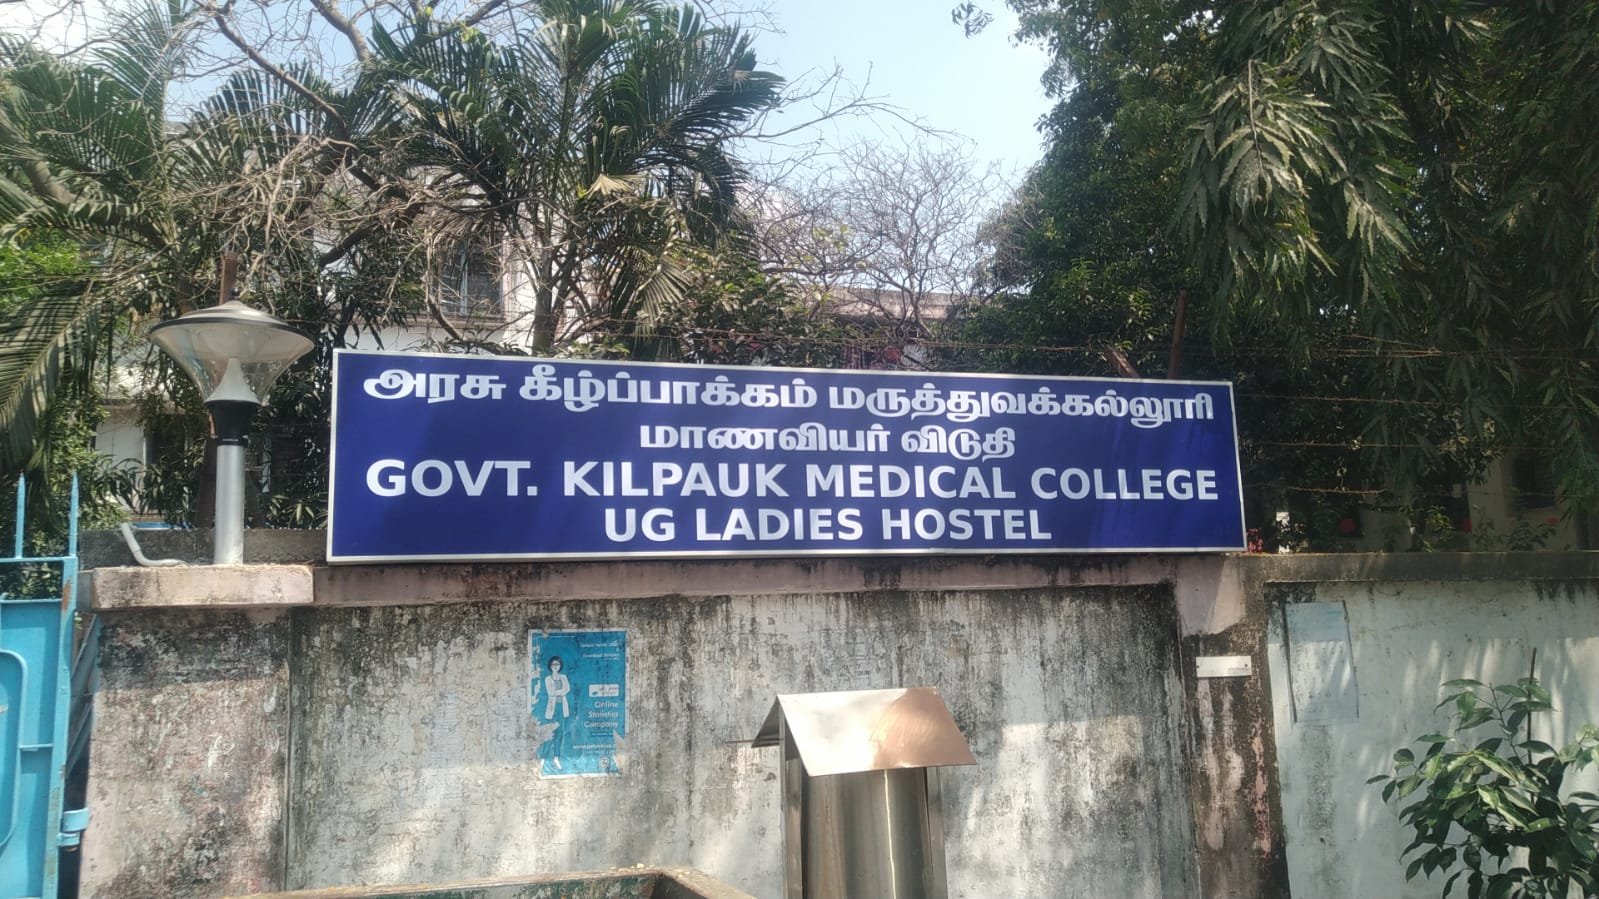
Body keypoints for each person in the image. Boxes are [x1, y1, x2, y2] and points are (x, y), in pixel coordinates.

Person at [532, 656, 572, 770]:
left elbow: (567, 689)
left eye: (557, 664)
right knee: (549, 734)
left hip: (562, 709)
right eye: (553, 664)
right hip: (552, 710)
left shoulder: (563, 677)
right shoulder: (548, 679)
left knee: (559, 734)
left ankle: (556, 758)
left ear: (560, 666)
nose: (555, 666)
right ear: (550, 666)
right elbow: (551, 692)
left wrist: (558, 692)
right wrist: (561, 692)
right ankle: (543, 759)